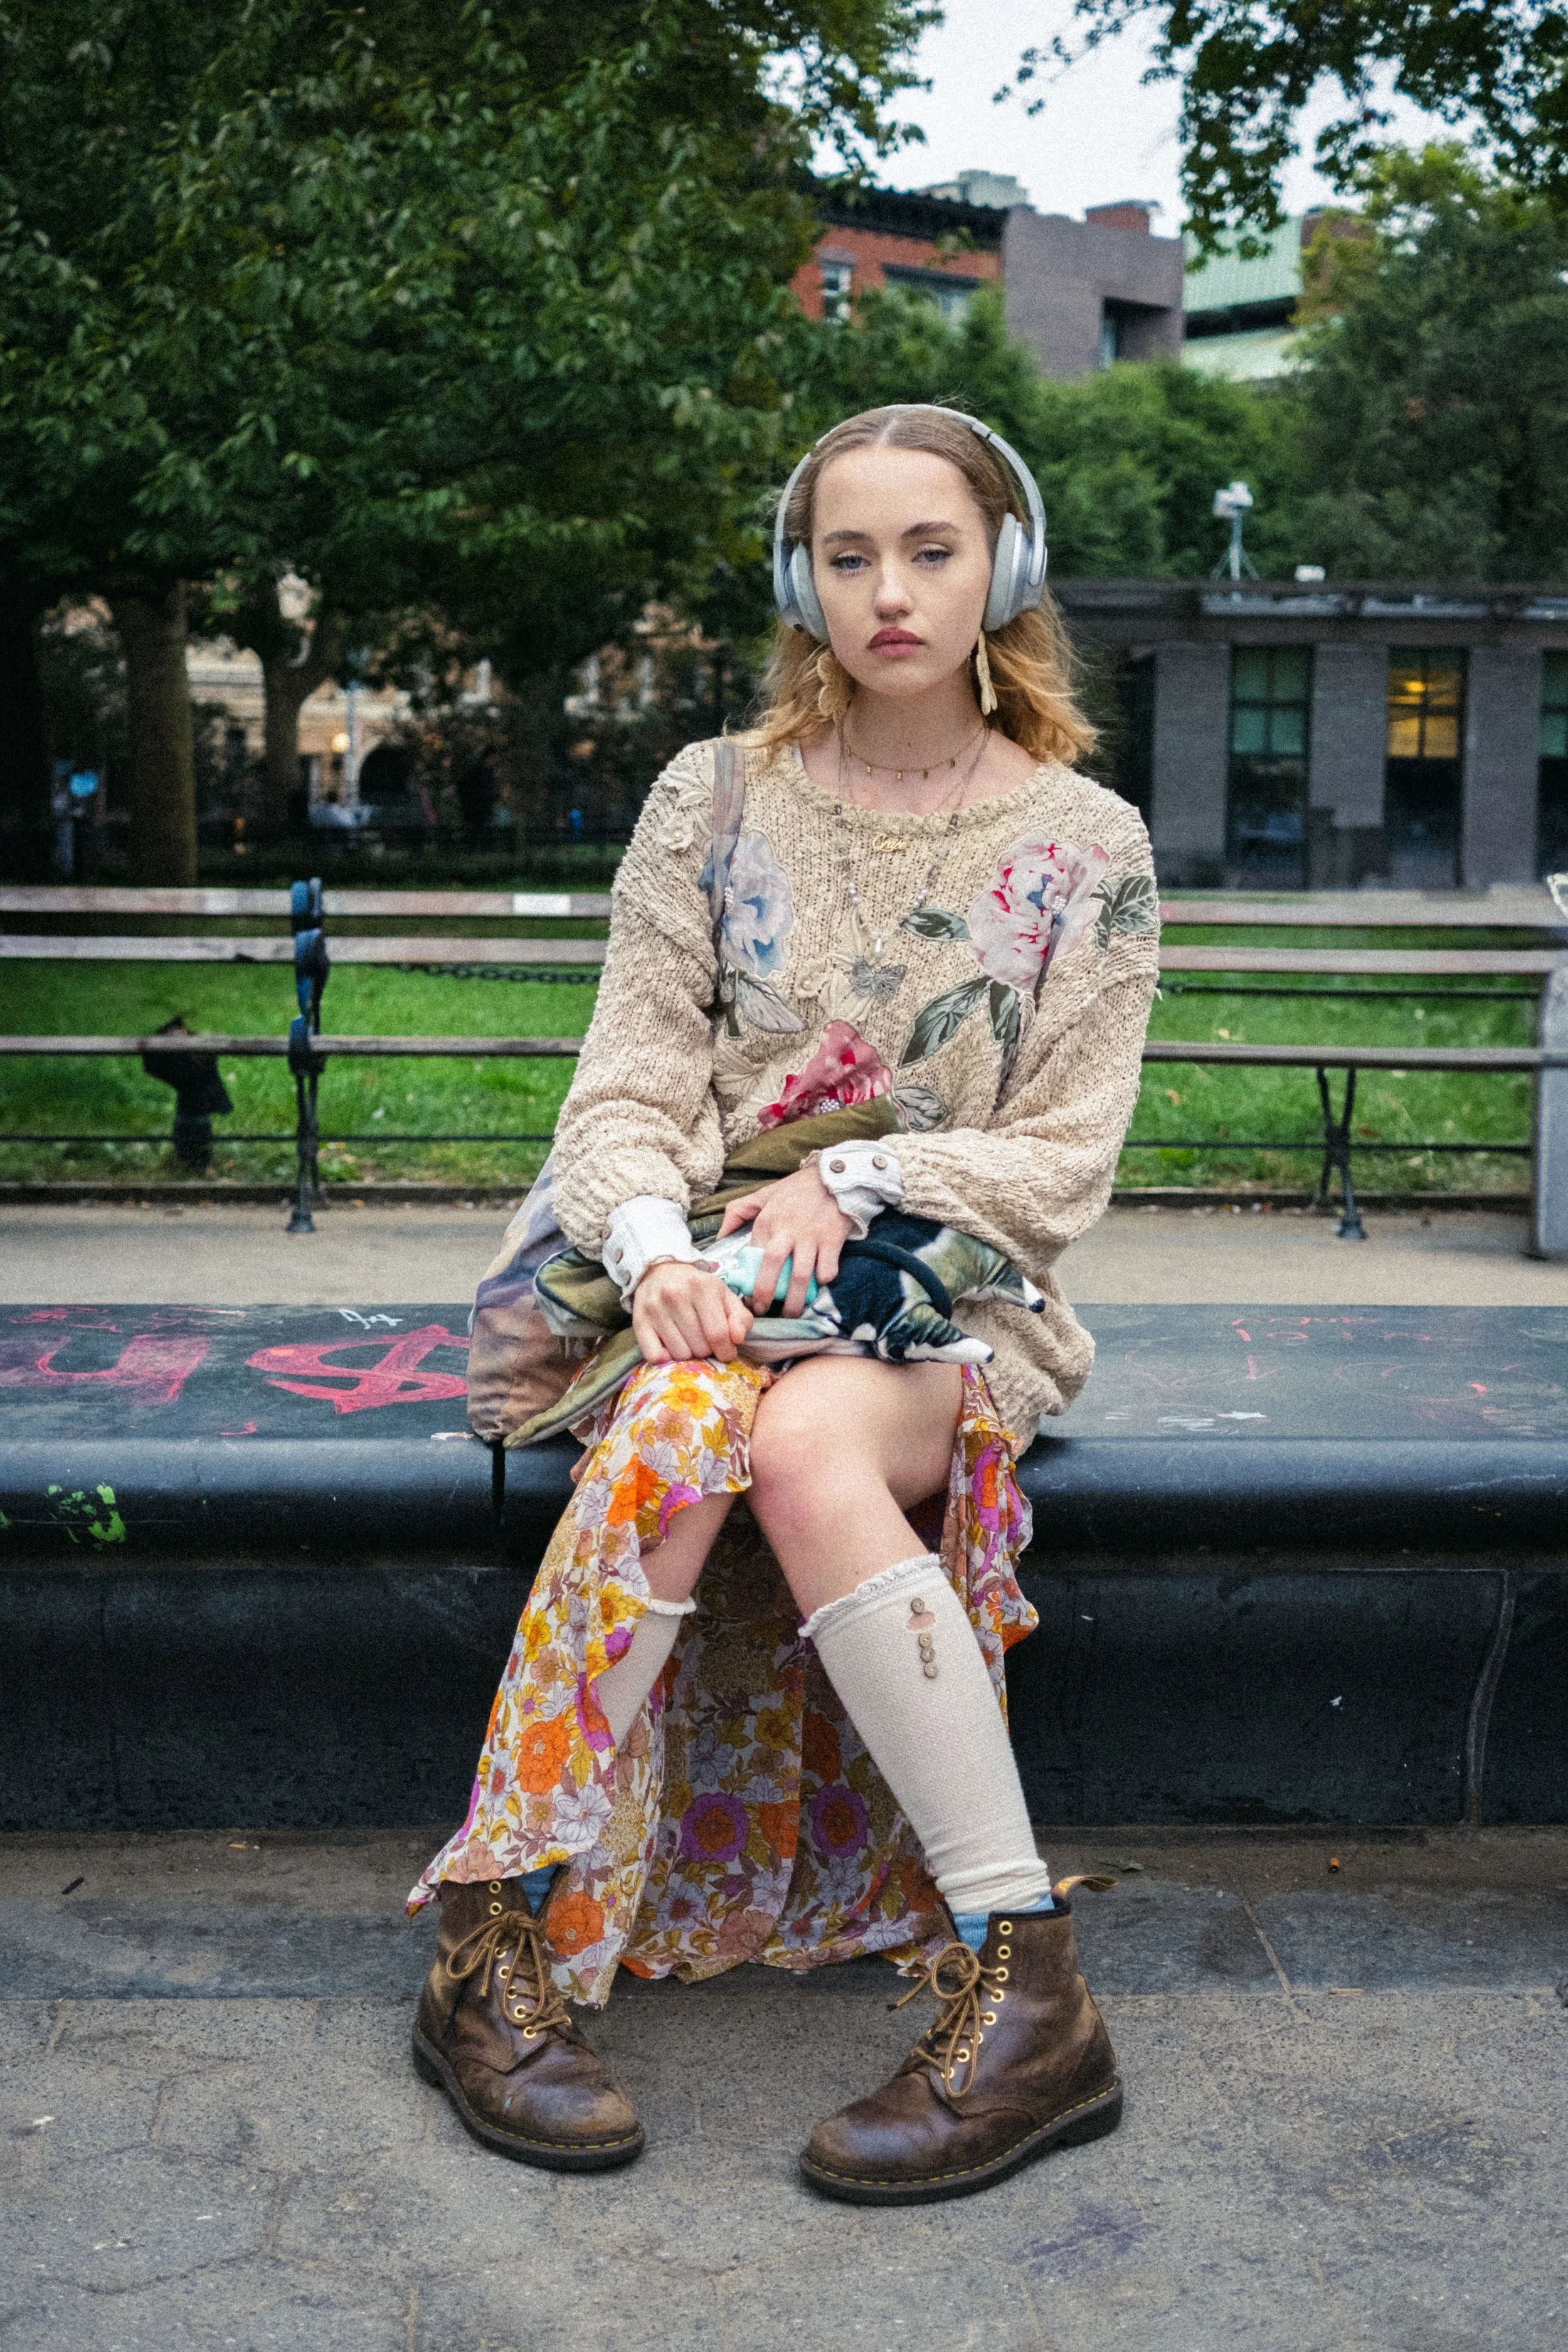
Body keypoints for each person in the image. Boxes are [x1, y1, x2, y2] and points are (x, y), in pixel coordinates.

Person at [407, 403, 1160, 2203]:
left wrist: (862, 1177)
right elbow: (623, 1083)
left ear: (1005, 568)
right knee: (679, 1424)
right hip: (706, 1283)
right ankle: (493, 1948)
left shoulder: (1085, 840)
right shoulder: (714, 795)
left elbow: (1061, 1156)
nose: (888, 592)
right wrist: (662, 1243)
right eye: (847, 555)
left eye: (928, 550)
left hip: (947, 1292)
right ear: (795, 578)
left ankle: (1017, 1973)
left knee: (813, 1439)